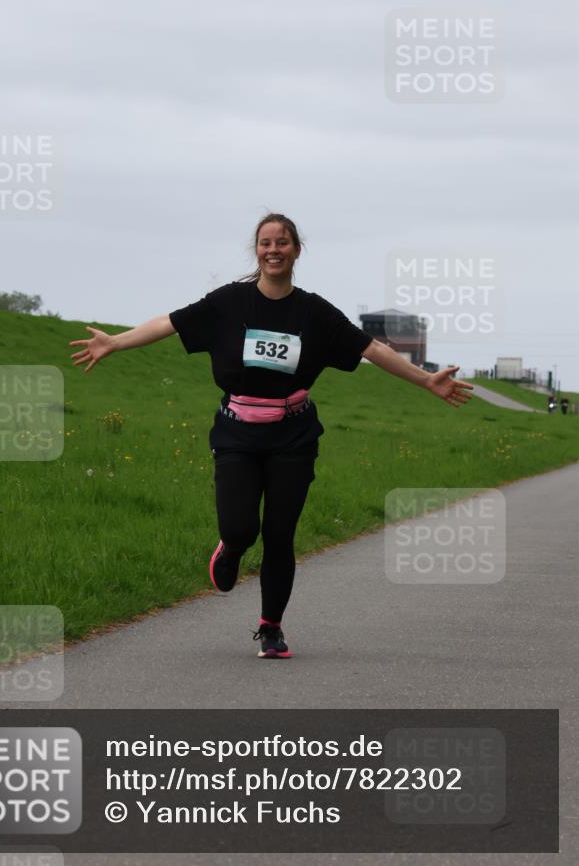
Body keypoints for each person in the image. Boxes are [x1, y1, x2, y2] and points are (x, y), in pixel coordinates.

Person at [69, 213, 473, 659]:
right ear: (256, 251)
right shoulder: (229, 302)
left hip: (293, 436)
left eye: (282, 242)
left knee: (280, 534)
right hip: (237, 433)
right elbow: (169, 323)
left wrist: (426, 379)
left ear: (297, 250)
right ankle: (231, 547)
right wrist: (115, 342)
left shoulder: (314, 312)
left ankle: (271, 627)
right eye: (265, 243)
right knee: (242, 528)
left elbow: (371, 350)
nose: (273, 250)